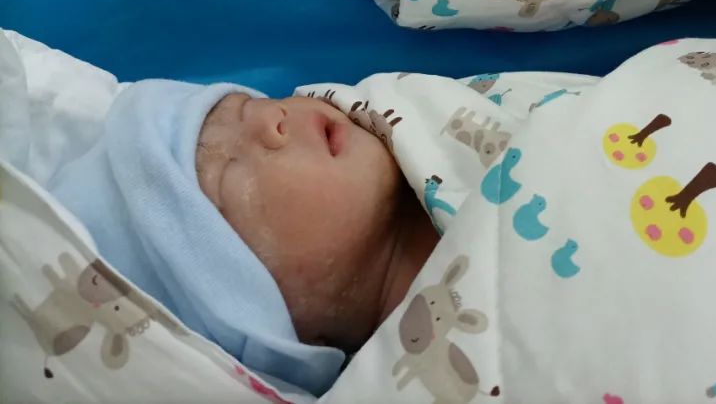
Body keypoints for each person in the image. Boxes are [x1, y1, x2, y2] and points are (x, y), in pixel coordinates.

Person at [49, 80, 437, 395]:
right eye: (231, 173)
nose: (272, 116)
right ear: (270, 326)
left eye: (246, 105)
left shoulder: (408, 106)